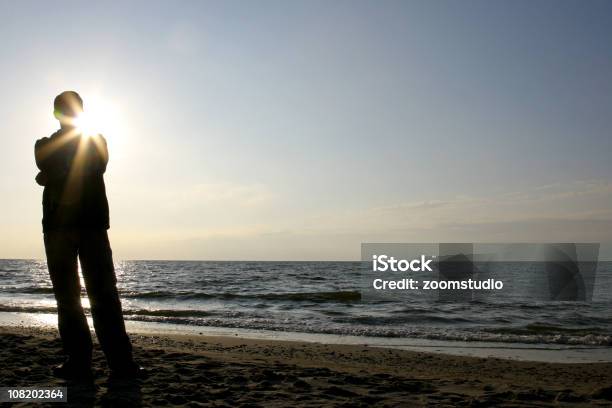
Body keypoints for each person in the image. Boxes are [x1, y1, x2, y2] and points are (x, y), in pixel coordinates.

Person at [35, 91, 142, 380]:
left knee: (103, 295)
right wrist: (53, 170)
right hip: (58, 226)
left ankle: (121, 364)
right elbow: (47, 163)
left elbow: (90, 165)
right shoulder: (44, 143)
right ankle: (79, 361)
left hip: (90, 224)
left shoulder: (96, 140)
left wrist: (50, 175)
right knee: (68, 297)